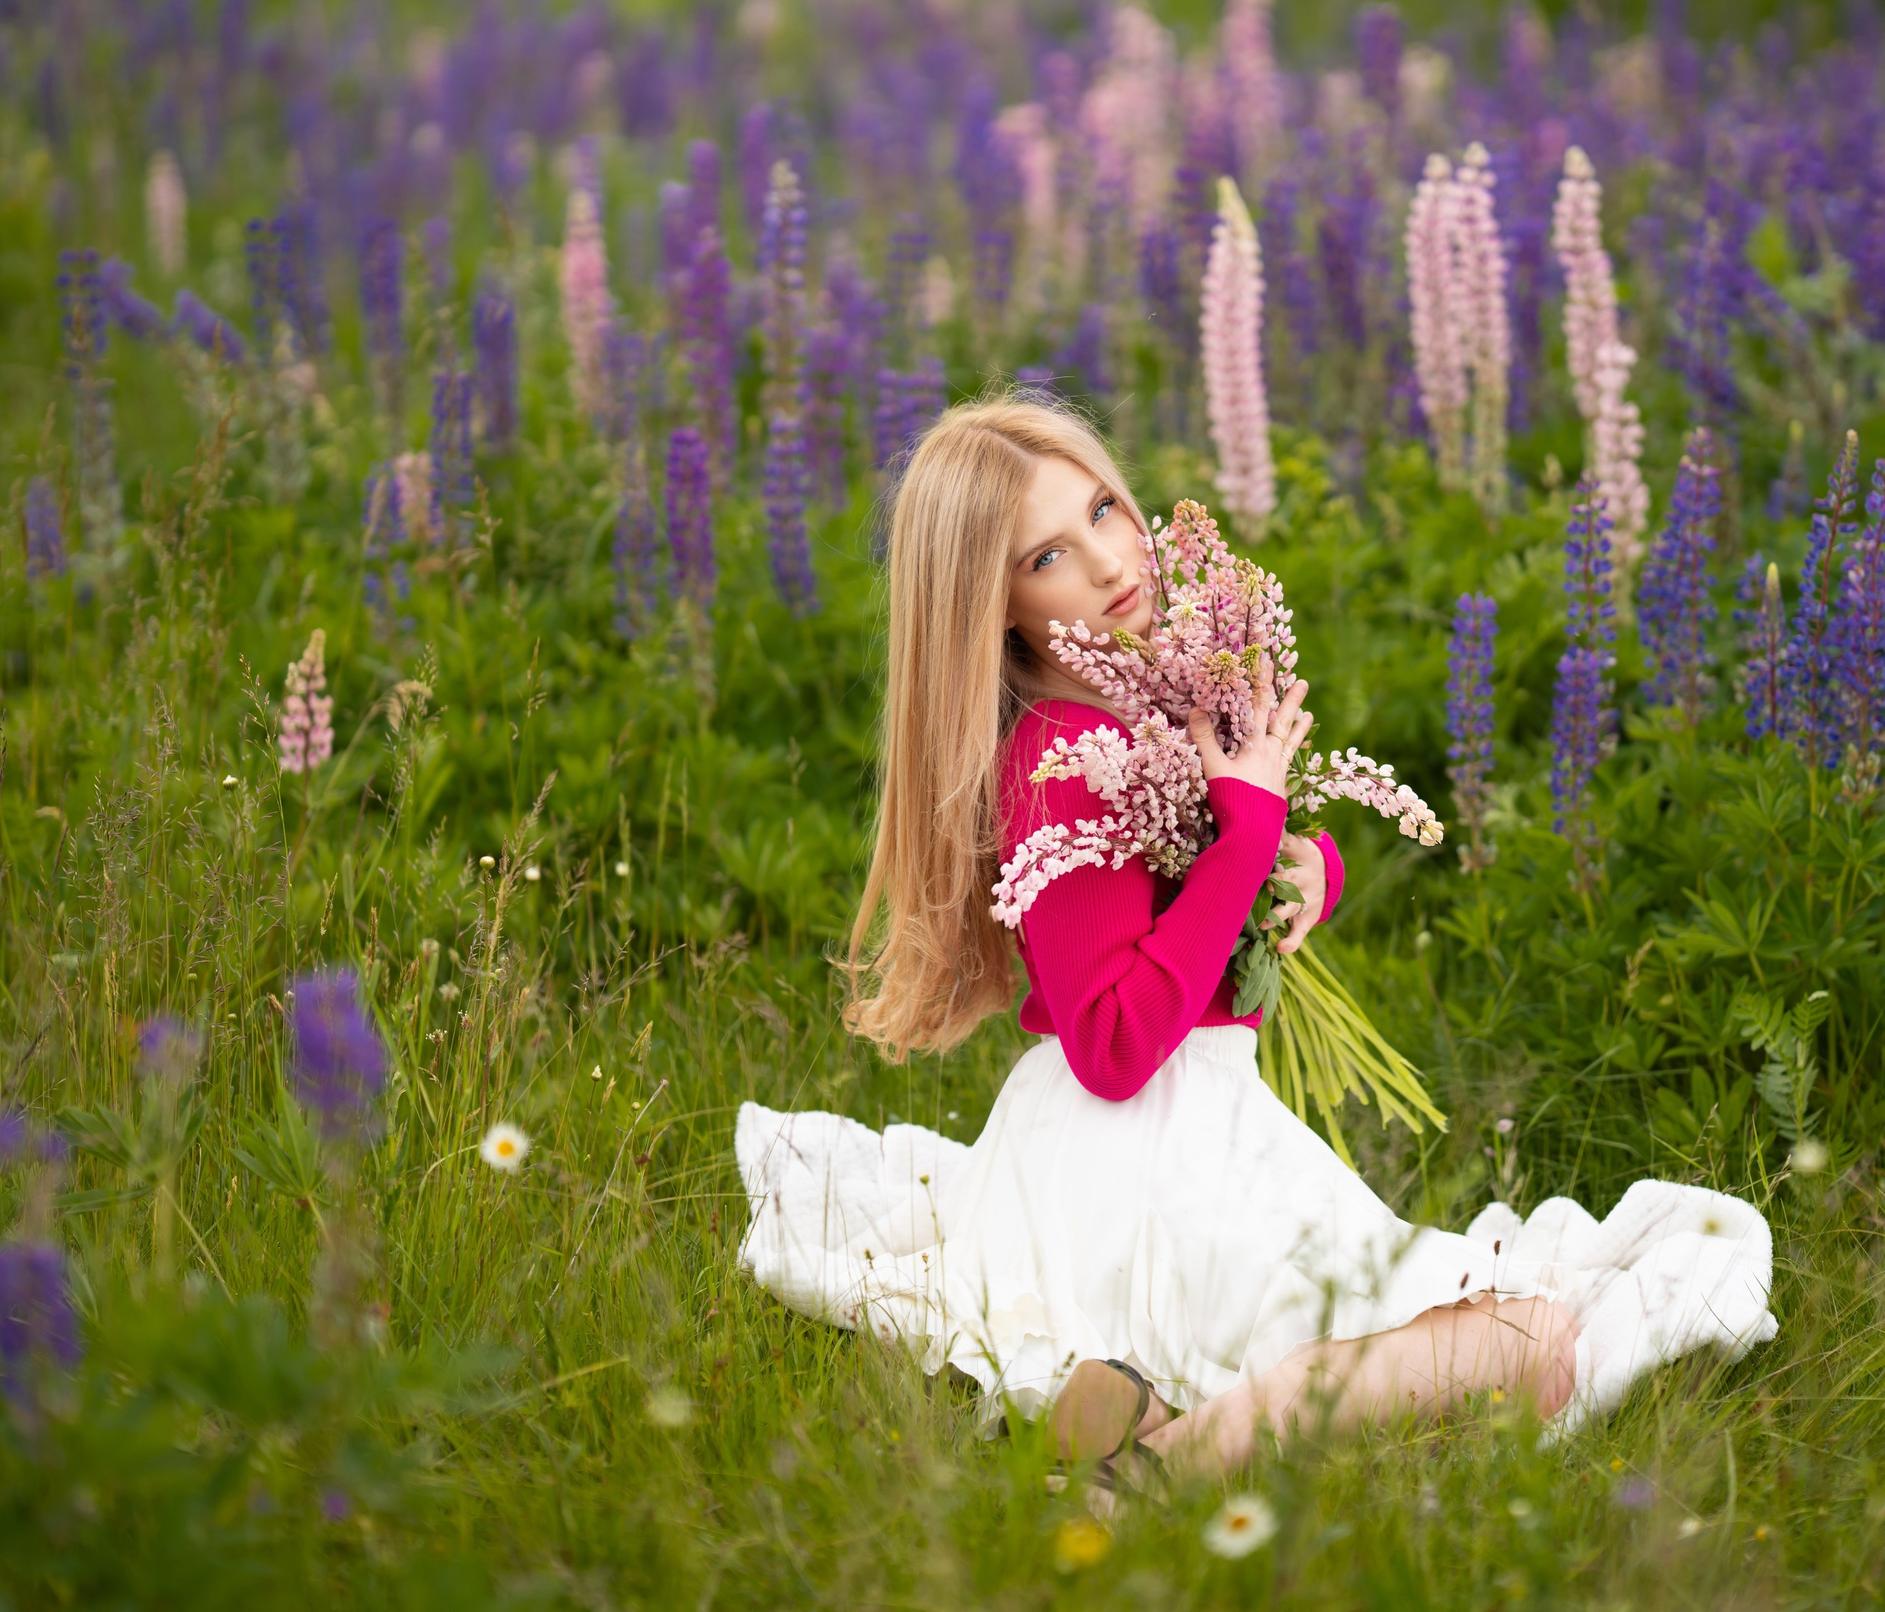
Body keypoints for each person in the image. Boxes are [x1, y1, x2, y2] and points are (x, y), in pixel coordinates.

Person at [734, 395, 1775, 1487]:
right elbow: (1113, 1042)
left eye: (1103, 510)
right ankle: (1163, 1469)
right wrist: (1246, 838)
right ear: (993, 606)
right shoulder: (1063, 762)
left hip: (1146, 1140)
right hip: (1146, 1156)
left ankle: (1132, 1405)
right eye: (1047, 556)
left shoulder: (1135, 704)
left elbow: (1209, 904)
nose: (1107, 561)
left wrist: (1300, 868)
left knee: (1470, 1316)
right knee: (1535, 1338)